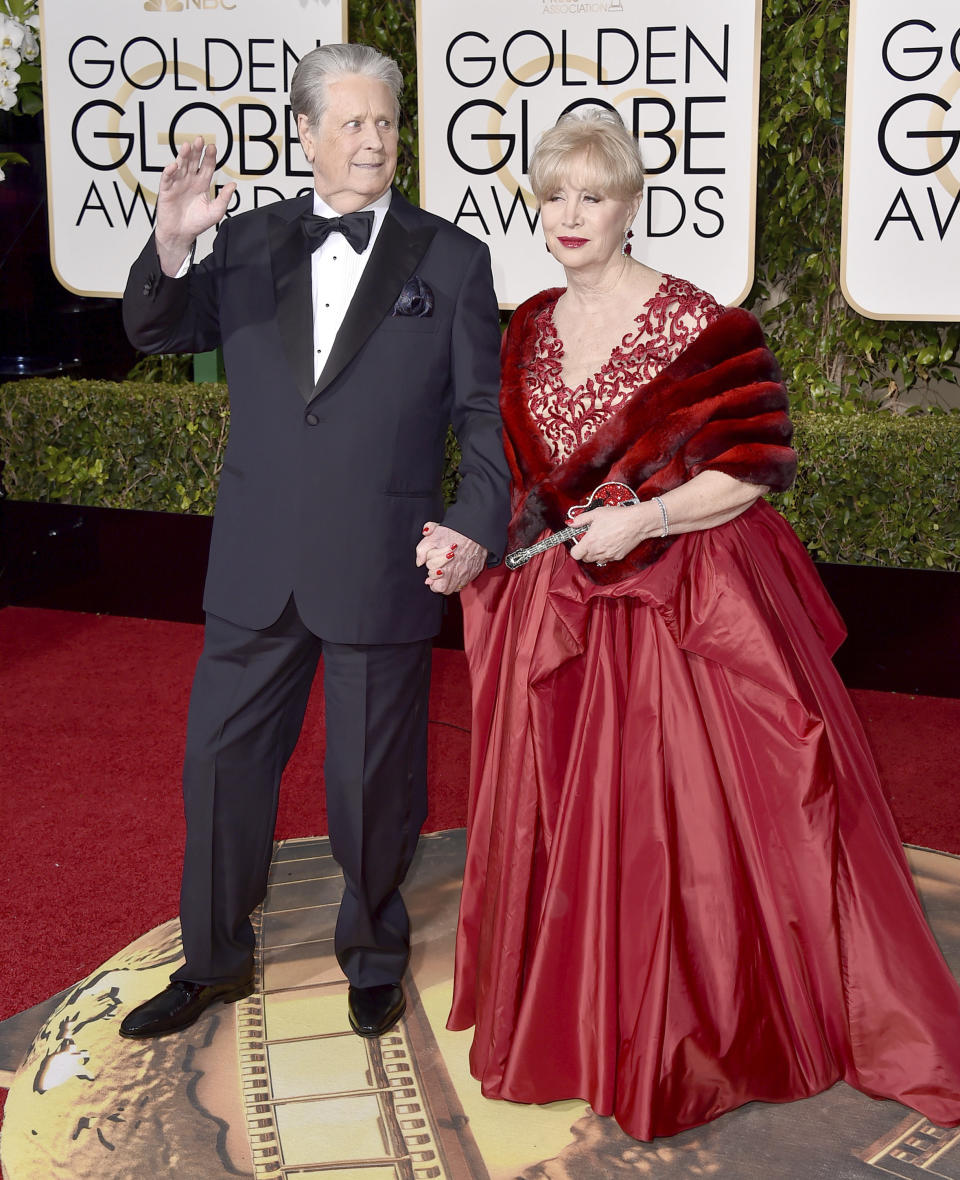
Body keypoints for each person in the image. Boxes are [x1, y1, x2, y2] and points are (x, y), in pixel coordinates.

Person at [447, 108, 960, 1140]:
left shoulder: (704, 324)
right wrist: (475, 540)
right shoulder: (529, 324)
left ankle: (689, 1030)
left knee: (682, 832)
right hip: (563, 611)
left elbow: (755, 469)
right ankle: (578, 1021)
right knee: (569, 823)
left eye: (594, 194)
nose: (572, 214)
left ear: (631, 204)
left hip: (681, 607)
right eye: (554, 195)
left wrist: (646, 514)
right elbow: (523, 482)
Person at [118, 43, 510, 1042]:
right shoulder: (242, 243)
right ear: (304, 134)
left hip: (381, 560)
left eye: (386, 121)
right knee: (217, 769)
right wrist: (171, 244)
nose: (374, 138)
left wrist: (474, 521)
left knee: (373, 785)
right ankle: (211, 961)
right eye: (352, 122)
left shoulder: (453, 260)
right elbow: (155, 331)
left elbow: (482, 419)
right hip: (256, 560)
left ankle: (372, 952)